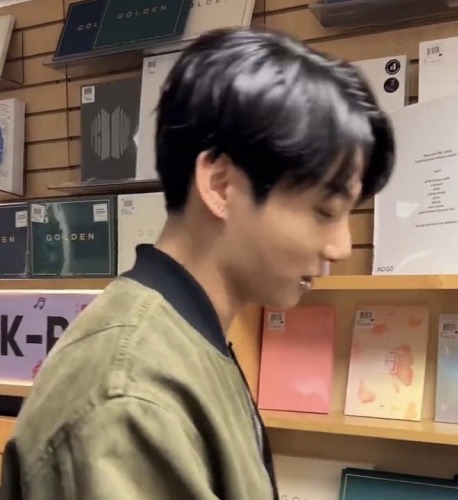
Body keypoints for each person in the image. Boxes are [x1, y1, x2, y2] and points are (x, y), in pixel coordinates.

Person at [1, 27, 394, 499]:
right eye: (325, 211)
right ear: (222, 185)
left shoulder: (185, 341)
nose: (341, 247)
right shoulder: (131, 395)